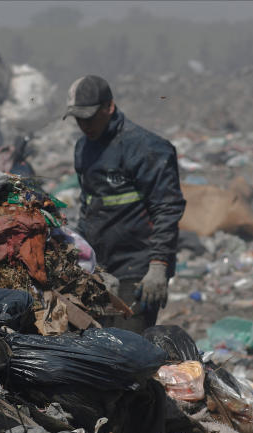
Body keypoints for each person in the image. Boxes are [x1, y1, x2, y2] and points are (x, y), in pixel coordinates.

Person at [65, 75, 185, 332]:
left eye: (90, 116)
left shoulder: (146, 148)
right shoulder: (83, 149)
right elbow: (89, 205)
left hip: (139, 266)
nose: (84, 125)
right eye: (79, 118)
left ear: (109, 107)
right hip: (101, 267)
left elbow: (167, 209)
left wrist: (158, 266)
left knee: (126, 347)